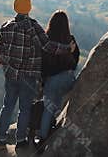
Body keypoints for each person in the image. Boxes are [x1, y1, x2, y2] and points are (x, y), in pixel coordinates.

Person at [0, 0, 76, 149]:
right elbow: (48, 47)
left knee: (7, 106)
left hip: (10, 75)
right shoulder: (33, 27)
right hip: (28, 76)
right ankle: (20, 141)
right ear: (29, 8)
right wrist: (68, 49)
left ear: (15, 7)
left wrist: (6, 64)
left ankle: (1, 138)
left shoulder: (6, 26)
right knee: (24, 109)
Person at [34, 10, 80, 152]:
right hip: (67, 79)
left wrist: (42, 83)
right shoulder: (70, 39)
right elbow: (75, 62)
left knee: (49, 107)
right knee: (58, 102)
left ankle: (42, 138)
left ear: (51, 23)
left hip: (51, 80)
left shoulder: (46, 40)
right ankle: (54, 128)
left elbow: (41, 65)